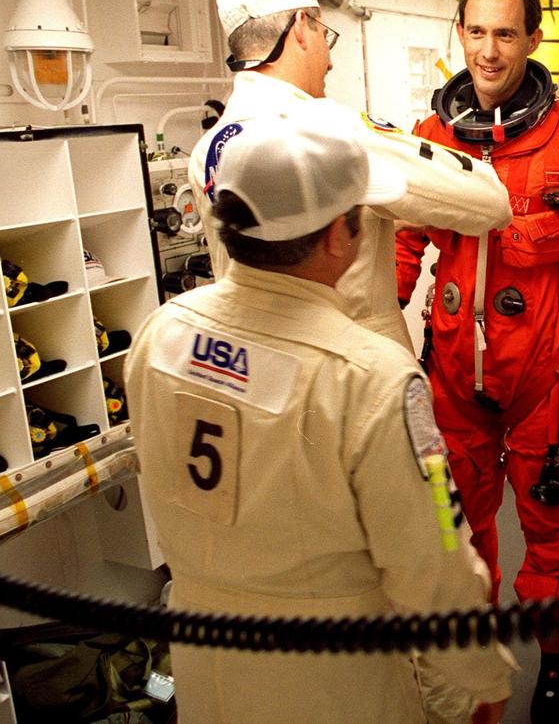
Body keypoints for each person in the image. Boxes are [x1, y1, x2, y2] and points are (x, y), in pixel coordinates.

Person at [126, 115, 515, 723]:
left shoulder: (163, 333)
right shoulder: (371, 377)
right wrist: (479, 675)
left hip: (205, 666)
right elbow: (432, 559)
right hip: (332, 682)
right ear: (341, 234)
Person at [396, 0, 559, 724]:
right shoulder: (434, 137)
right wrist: (380, 328)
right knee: (453, 525)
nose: (488, 49)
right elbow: (405, 240)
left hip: (546, 377)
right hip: (453, 378)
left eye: (505, 33)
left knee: (551, 527)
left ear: (534, 39)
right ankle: (470, 648)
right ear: (460, 35)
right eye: (476, 31)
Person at [188, 0, 511, 351]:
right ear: (302, 29)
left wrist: (379, 220)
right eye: (325, 34)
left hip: (261, 363)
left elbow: (287, 236)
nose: (329, 57)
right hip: (352, 366)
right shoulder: (332, 131)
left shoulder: (209, 147)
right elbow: (490, 202)